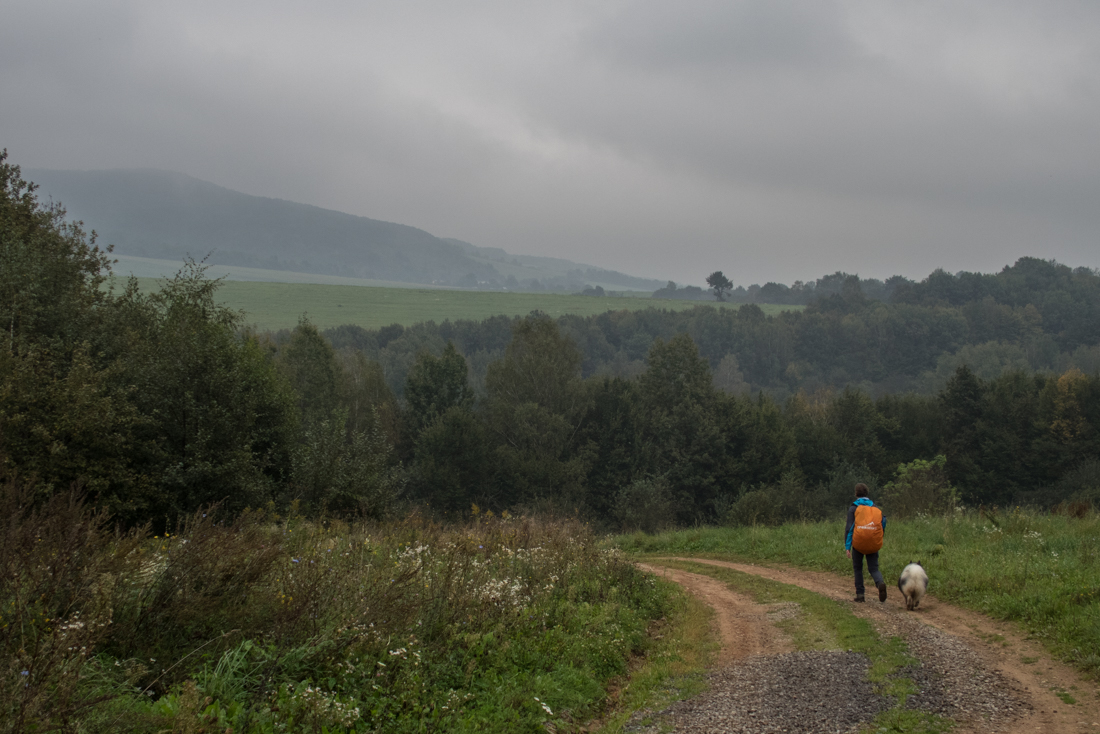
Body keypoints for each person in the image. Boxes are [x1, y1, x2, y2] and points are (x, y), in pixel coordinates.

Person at [844, 483, 887, 603]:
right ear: (867, 493)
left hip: (858, 543)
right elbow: (882, 523)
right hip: (873, 541)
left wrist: (847, 546)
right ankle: (880, 583)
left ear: (856, 494)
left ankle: (860, 594)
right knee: (873, 568)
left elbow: (849, 528)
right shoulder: (875, 507)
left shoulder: (854, 508)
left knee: (858, 568)